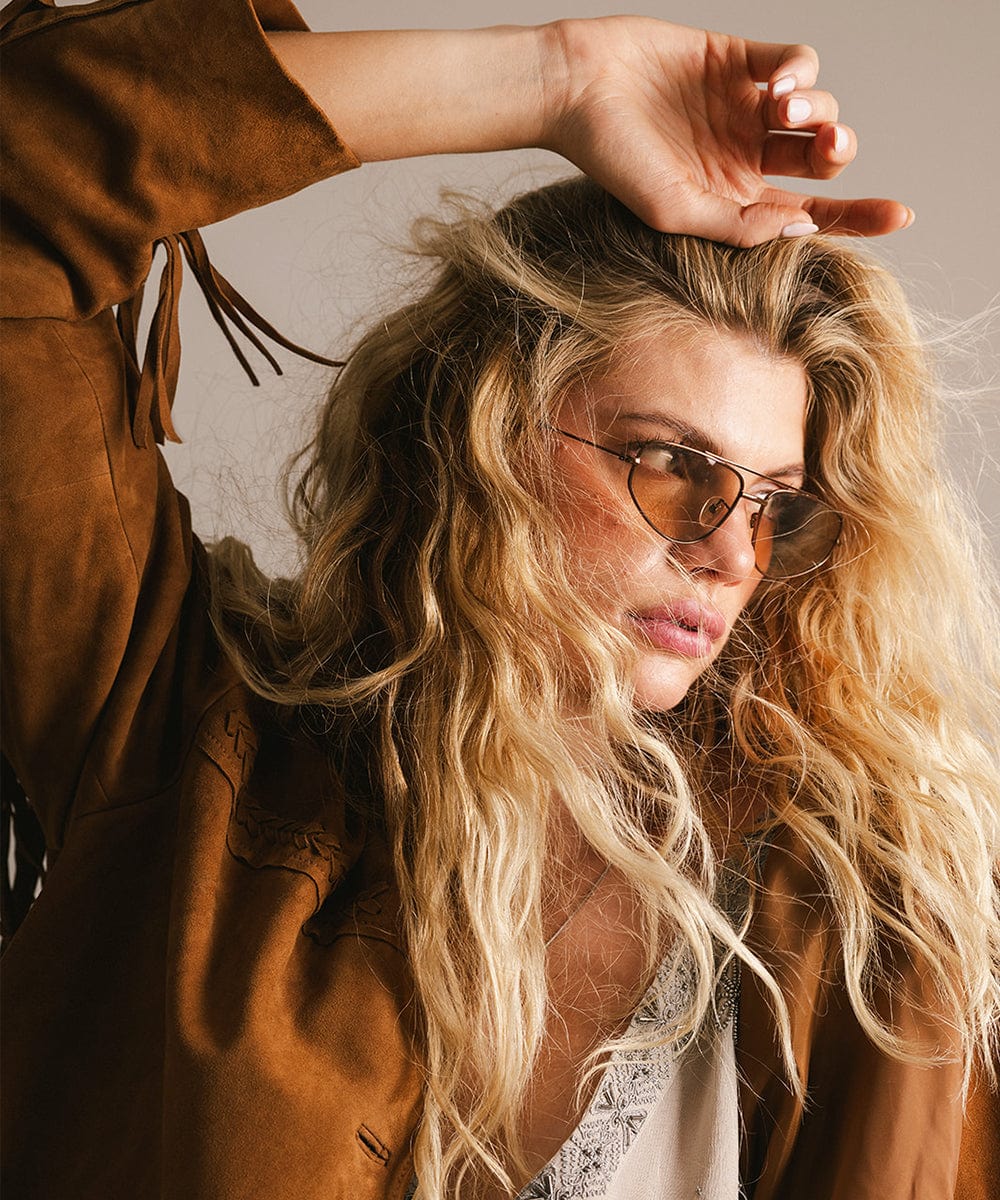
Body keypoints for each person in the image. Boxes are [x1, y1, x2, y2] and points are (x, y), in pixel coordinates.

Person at [1, 1, 997, 1198]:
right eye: (672, 466)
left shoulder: (852, 909)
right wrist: (553, 76)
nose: (730, 552)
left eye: (769, 499)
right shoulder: (187, 736)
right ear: (479, 434)